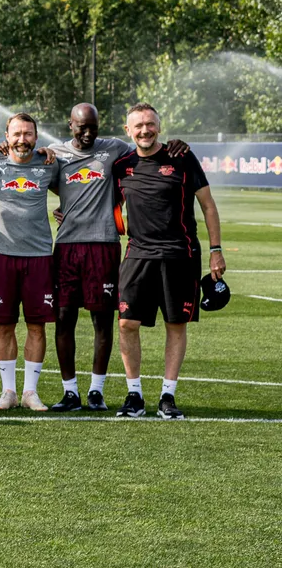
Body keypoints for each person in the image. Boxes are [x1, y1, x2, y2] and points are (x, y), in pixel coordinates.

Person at [50, 103, 186, 410]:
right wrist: (69, 205)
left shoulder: (115, 149)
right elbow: (33, 175)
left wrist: (175, 145)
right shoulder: (54, 153)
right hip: (68, 246)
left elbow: (148, 147)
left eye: (93, 128)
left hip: (104, 245)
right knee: (63, 319)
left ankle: (96, 391)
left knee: (103, 320)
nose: (87, 134)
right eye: (80, 127)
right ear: (70, 125)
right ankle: (70, 392)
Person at [111, 103, 223, 419]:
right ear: (128, 131)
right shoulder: (121, 166)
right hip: (137, 255)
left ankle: (167, 397)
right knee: (126, 323)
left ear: (159, 126)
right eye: (138, 126)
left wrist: (216, 249)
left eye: (150, 124)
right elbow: (108, 206)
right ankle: (134, 396)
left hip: (181, 256)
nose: (145, 130)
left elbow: (208, 206)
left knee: (176, 325)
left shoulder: (182, 157)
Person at [0, 113, 61, 410]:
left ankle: (30, 393)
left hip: (39, 258)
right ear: (6, 136)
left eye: (28, 134)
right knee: (4, 325)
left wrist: (65, 208)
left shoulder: (49, 163)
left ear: (37, 137)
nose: (22, 139)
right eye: (16, 134)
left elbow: (77, 189)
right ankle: (8, 392)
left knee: (37, 326)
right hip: (3, 256)